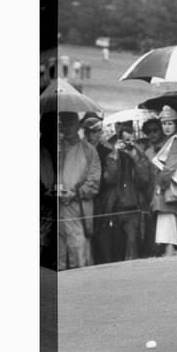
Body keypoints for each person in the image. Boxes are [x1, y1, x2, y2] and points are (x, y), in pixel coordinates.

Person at [98, 124, 151, 261]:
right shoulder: (112, 156)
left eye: (131, 141)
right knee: (115, 247)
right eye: (125, 141)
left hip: (133, 209)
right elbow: (108, 178)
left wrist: (135, 157)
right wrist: (115, 154)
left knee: (131, 246)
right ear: (118, 141)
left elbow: (144, 180)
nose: (128, 144)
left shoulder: (140, 156)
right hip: (114, 209)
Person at [145, 107, 177, 255]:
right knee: (166, 229)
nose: (166, 127)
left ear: (176, 125)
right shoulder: (170, 141)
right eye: (164, 124)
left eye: (170, 123)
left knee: (168, 230)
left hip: (168, 190)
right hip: (167, 191)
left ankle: (169, 258)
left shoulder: (176, 142)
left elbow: (170, 168)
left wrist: (160, 185)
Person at [58, 111, 101, 270]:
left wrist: (75, 193)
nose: (66, 128)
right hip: (58, 206)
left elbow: (94, 181)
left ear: (78, 126)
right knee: (59, 251)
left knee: (79, 248)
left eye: (70, 124)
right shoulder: (56, 148)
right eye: (63, 124)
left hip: (79, 207)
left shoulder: (89, 150)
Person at [82, 115, 113, 264]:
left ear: (100, 132)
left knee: (101, 233)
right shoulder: (80, 150)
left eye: (93, 132)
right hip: (86, 197)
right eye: (87, 132)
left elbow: (109, 178)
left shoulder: (106, 151)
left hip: (102, 198)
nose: (90, 135)